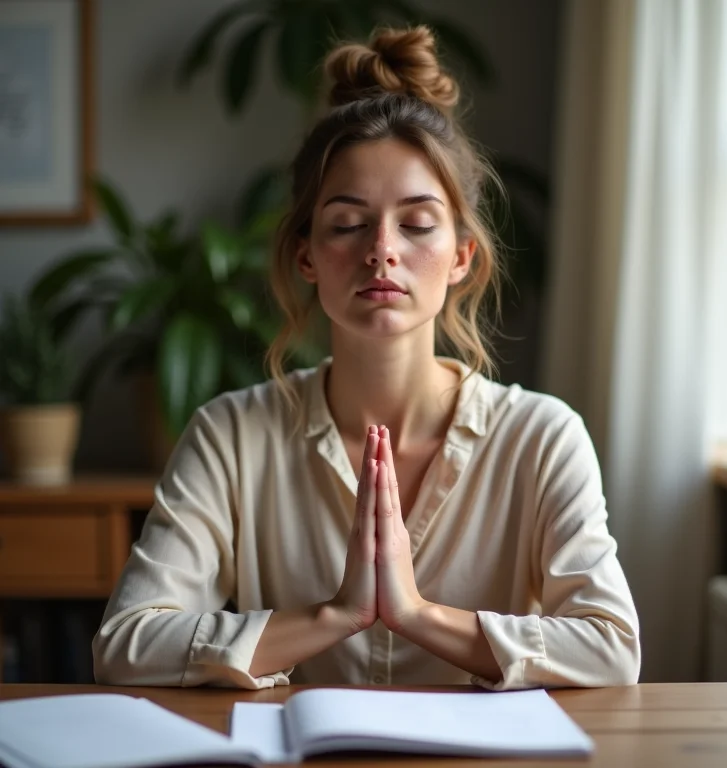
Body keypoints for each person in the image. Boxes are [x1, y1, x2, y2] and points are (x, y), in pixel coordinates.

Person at [93, 25, 640, 691]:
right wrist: (334, 615)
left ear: (462, 257)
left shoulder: (542, 438)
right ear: (307, 256)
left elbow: (612, 649)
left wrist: (416, 615)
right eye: (348, 224)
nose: (382, 249)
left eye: (416, 224)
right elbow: (125, 643)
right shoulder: (230, 435)